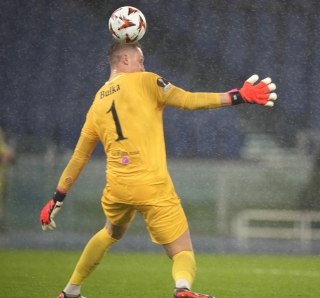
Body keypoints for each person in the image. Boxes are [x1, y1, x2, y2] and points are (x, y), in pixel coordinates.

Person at [39, 41, 277, 298]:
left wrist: (58, 197)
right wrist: (237, 96)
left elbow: (79, 157)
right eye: (140, 60)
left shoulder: (96, 103)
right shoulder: (146, 81)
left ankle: (70, 290)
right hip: (152, 185)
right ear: (126, 61)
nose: (144, 65)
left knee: (110, 232)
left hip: (118, 187)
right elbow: (188, 100)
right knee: (182, 250)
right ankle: (183, 289)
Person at [0, 127, 13, 230]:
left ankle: (3, 225)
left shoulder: (4, 148)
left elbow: (10, 158)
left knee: (2, 205)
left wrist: (8, 157)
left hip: (2, 181)